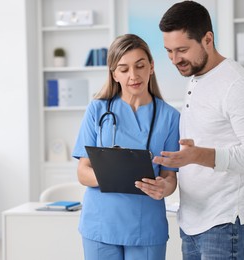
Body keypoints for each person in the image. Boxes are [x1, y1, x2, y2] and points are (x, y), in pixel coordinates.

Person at [152, 1, 244, 259]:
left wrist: (199, 156)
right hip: (192, 221)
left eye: (182, 50)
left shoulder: (238, 85)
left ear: (207, 38)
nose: (175, 60)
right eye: (169, 51)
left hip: (227, 223)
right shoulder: (196, 78)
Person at [72, 33, 180, 260]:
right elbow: (83, 172)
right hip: (101, 223)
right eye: (124, 69)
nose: (133, 75)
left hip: (146, 226)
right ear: (114, 74)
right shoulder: (97, 110)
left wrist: (164, 188)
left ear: (151, 66)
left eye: (140, 66)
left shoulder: (170, 117)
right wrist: (117, 176)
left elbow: (170, 177)